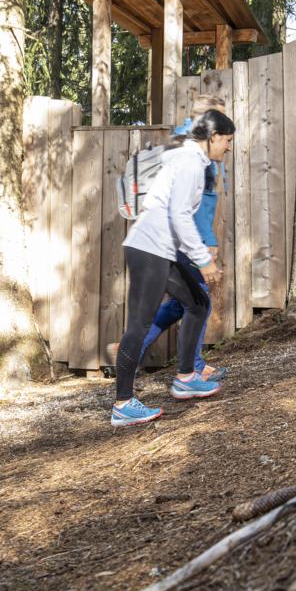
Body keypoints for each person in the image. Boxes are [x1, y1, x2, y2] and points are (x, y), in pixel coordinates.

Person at [111, 110, 236, 427]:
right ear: (213, 137)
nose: (229, 147)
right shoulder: (191, 163)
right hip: (149, 248)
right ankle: (123, 404)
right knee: (138, 325)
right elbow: (180, 215)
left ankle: (186, 377)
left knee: (198, 302)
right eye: (227, 140)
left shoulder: (191, 159)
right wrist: (204, 260)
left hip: (162, 250)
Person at [137, 95, 229, 382]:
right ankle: (192, 367)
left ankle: (134, 348)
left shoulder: (181, 141)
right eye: (221, 117)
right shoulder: (194, 151)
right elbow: (196, 202)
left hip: (176, 236)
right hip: (187, 237)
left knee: (184, 302)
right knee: (199, 299)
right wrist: (206, 244)